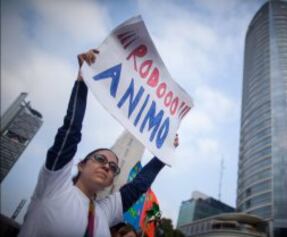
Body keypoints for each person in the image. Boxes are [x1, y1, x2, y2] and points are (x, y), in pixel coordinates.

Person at [19, 49, 179, 237]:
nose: (106, 167)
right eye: (100, 159)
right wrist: (82, 81)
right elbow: (70, 132)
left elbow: (138, 185)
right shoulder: (53, 186)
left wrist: (164, 154)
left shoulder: (105, 212)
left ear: (113, 180)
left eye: (113, 167)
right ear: (81, 164)